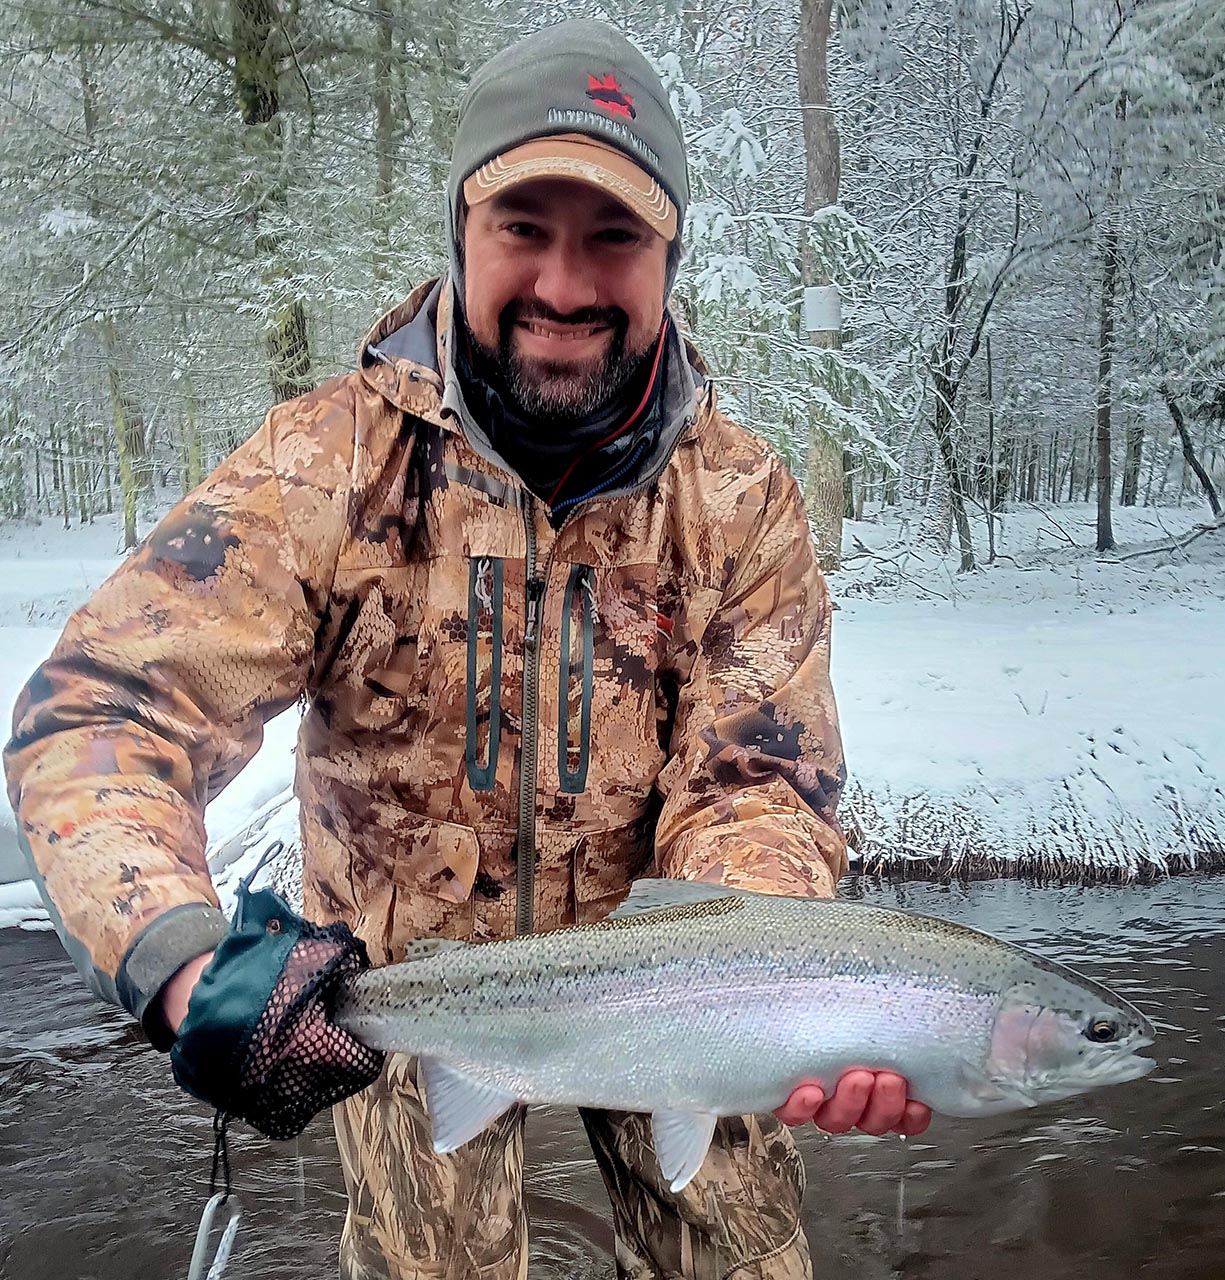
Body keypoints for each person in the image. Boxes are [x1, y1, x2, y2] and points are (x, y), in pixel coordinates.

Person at [5, 19, 929, 1280]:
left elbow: (758, 782)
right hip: (396, 982)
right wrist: (178, 955)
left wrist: (773, 986)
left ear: (669, 257)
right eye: (522, 228)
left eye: (613, 235)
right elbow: (103, 712)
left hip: (667, 971)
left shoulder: (739, 500)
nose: (563, 285)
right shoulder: (329, 465)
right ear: (460, 230)